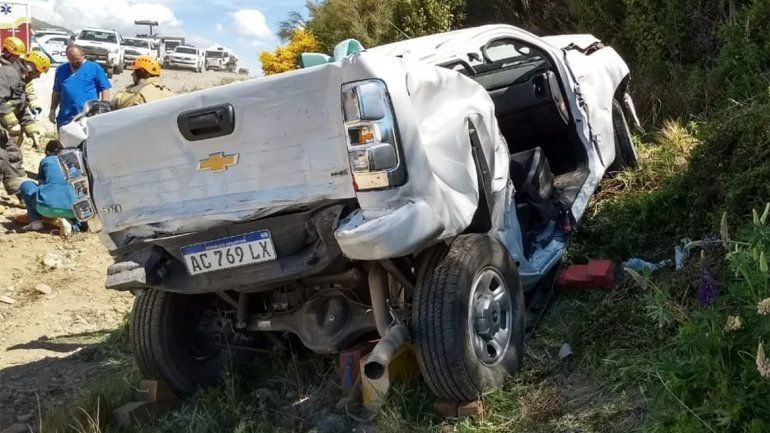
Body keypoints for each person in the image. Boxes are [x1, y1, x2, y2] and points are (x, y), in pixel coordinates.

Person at [0, 51, 50, 197]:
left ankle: (22, 194)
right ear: (29, 66)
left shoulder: (21, 81)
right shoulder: (8, 73)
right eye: (37, 72)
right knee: (2, 157)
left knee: (13, 155)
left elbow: (20, 107)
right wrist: (11, 121)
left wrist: (31, 130)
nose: (38, 76)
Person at [18, 139, 77, 235]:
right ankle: (70, 223)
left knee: (26, 184)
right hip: (72, 210)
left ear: (47, 152)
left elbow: (41, 185)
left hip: (46, 208)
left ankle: (35, 221)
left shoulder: (46, 160)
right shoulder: (70, 162)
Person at [49, 44, 111, 129]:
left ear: (83, 54)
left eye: (77, 59)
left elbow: (105, 89)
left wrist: (104, 108)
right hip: (66, 117)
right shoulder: (61, 70)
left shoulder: (94, 68)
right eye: (72, 60)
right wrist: (52, 110)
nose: (75, 62)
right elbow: (56, 92)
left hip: (87, 116)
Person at [1, 37, 43, 129]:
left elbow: (26, 86)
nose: (17, 58)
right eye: (15, 55)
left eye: (18, 55)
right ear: (6, 51)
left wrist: (32, 102)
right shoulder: (4, 69)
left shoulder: (17, 69)